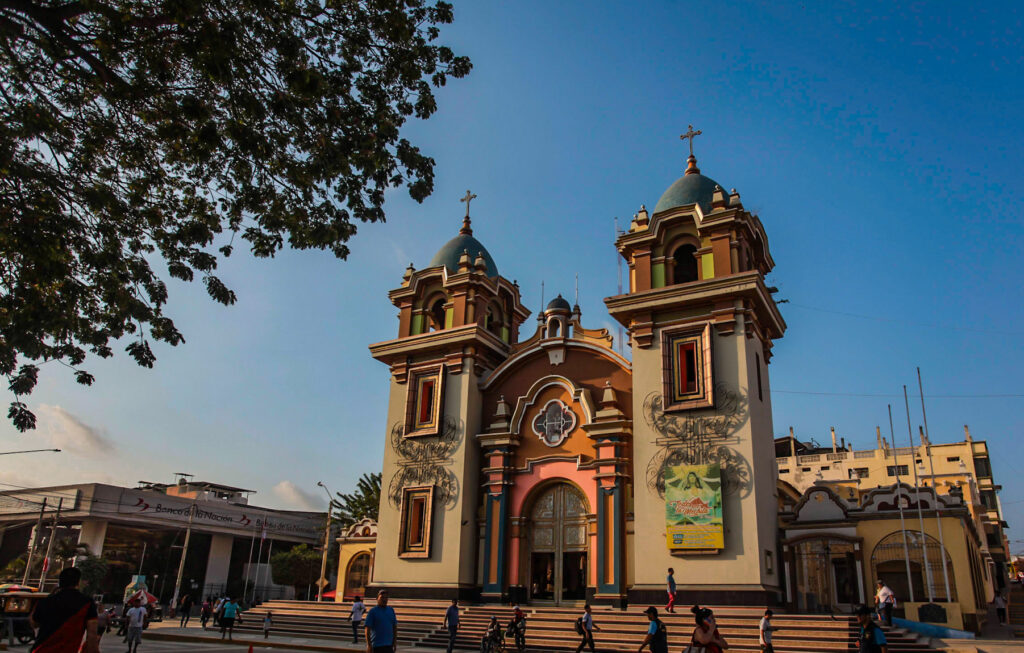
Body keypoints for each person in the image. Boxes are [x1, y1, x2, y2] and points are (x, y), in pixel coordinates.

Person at [29, 568, 100, 653]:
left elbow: (34, 623)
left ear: (60, 582)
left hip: (40, 649)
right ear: (78, 582)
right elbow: (92, 635)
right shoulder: (87, 603)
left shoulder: (46, 601)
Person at [364, 589, 398, 653]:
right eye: (382, 597)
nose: (384, 599)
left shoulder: (391, 610)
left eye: (386, 597)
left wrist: (394, 642)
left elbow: (394, 627)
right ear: (377, 599)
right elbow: (367, 629)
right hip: (376, 646)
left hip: (389, 646)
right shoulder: (373, 611)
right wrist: (369, 645)